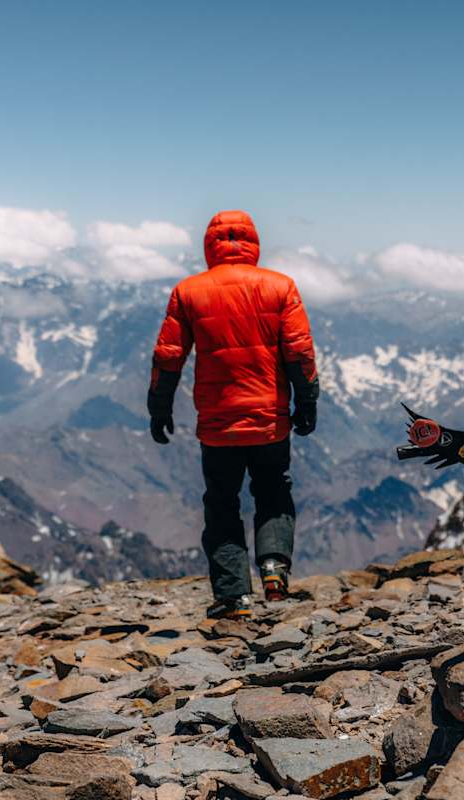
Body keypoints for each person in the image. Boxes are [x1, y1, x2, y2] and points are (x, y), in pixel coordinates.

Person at [147, 210, 318, 619]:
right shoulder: (281, 287)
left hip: (218, 423)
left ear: (209, 245)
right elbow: (300, 351)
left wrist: (159, 407)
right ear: (254, 243)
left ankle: (233, 596)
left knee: (221, 504)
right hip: (269, 419)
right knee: (273, 492)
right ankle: (275, 567)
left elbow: (168, 356)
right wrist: (306, 401)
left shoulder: (188, 292)